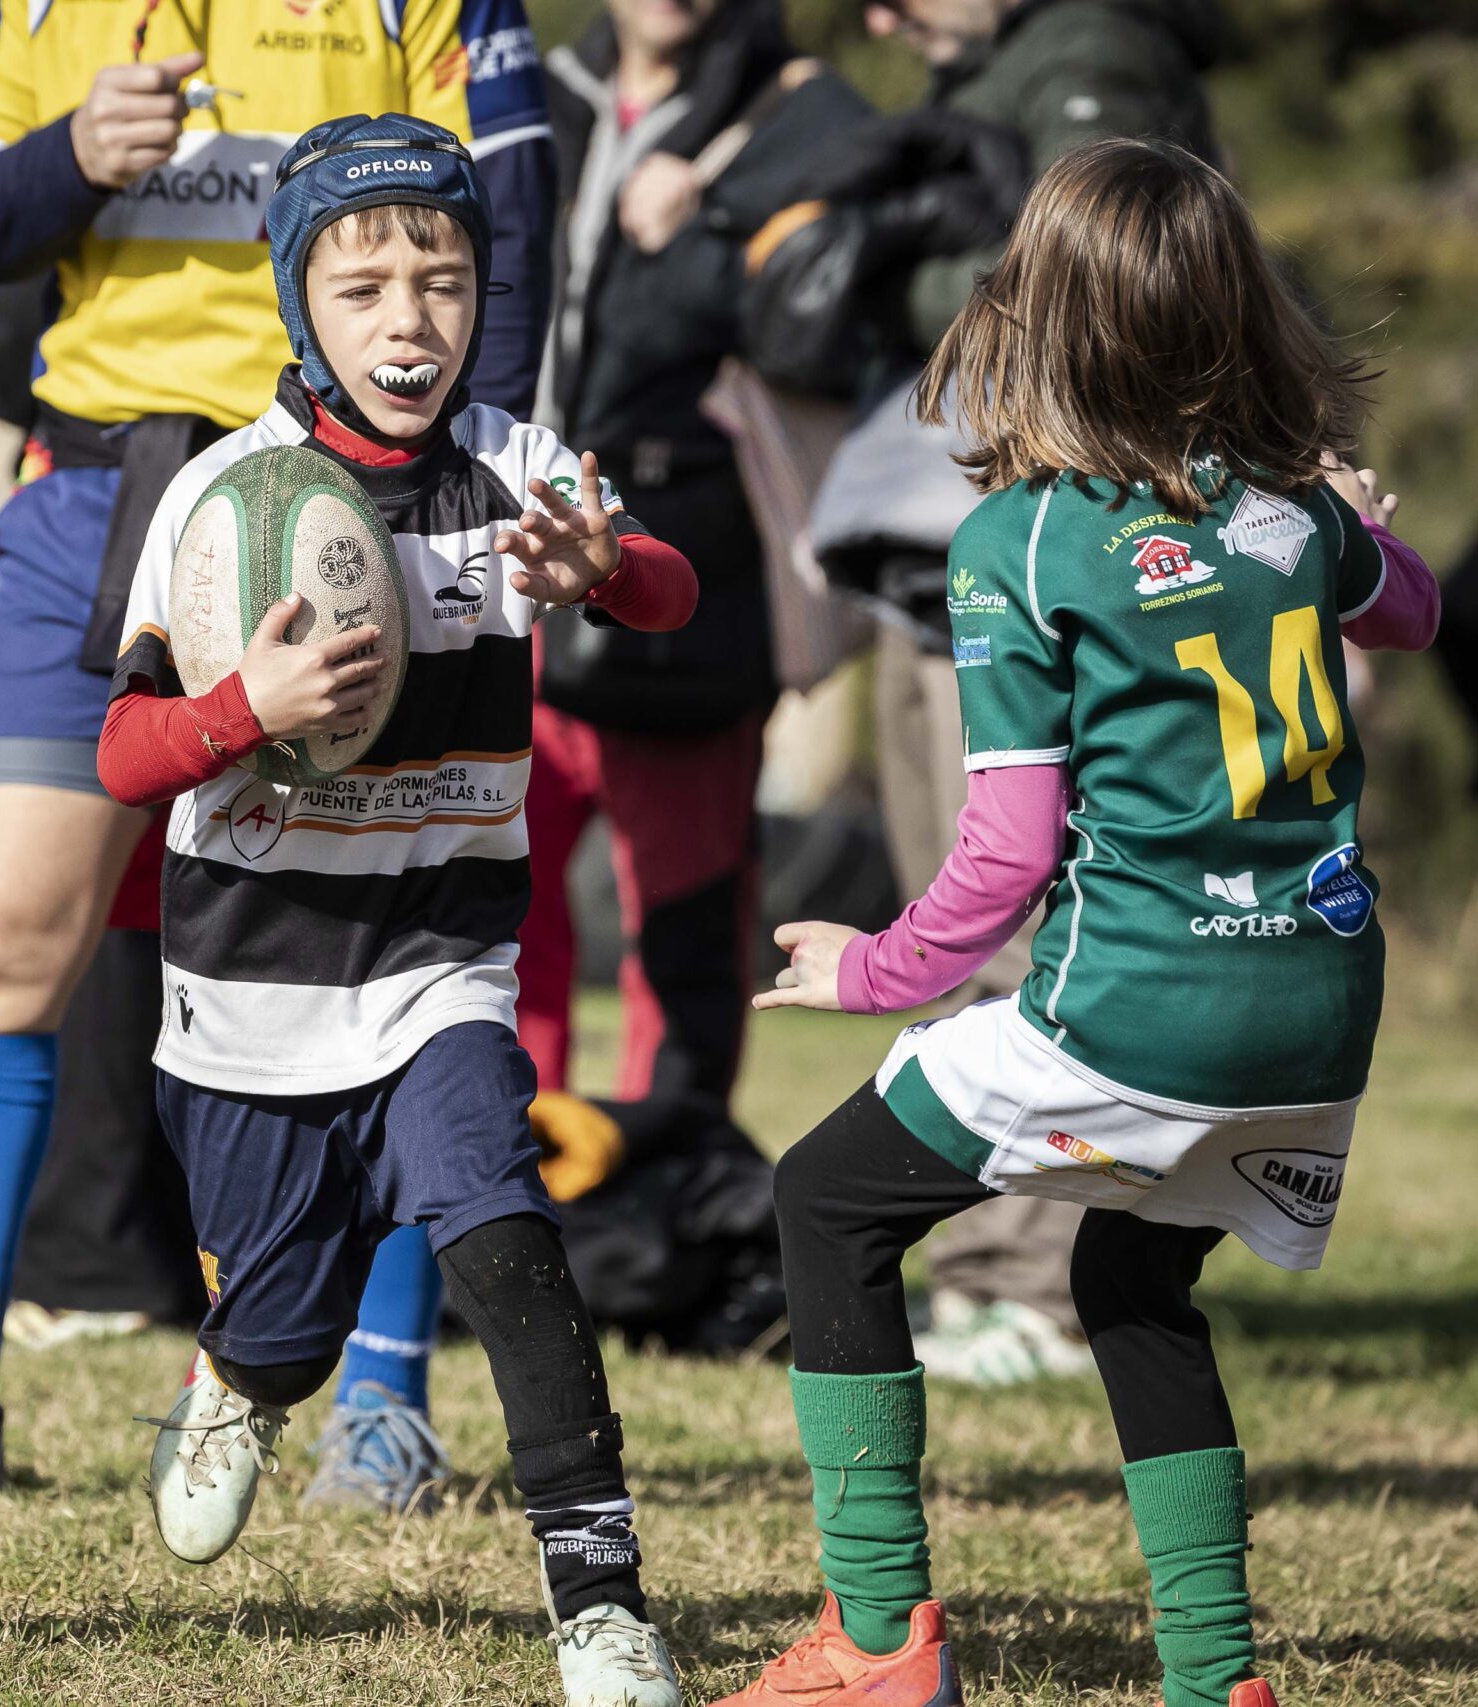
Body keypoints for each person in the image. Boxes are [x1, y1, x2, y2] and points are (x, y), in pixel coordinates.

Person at [0, 0, 559, 1506]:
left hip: (372, 502)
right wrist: (72, 153)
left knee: (395, 953)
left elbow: (513, 236)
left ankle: (382, 1407)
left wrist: (460, 505)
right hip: (106, 488)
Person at [721, 138, 1441, 1707]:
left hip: (1142, 1004)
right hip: (1321, 1010)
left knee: (827, 1199)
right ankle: (1216, 1679)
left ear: (1027, 317)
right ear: (1238, 316)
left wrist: (869, 971)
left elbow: (1003, 861)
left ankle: (874, 1639)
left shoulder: (1023, 542)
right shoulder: (1293, 518)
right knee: (1130, 1283)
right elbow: (1416, 607)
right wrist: (1357, 521)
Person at [103, 114, 699, 1707]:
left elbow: (669, 584)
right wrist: (249, 701)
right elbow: (124, 753)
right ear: (300, 305)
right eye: (362, 287)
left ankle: (601, 1604)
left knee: (503, 1230)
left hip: (444, 960)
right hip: (248, 997)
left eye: (440, 279)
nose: (408, 319)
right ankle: (240, 1374)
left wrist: (610, 571)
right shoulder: (219, 493)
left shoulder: (520, 464)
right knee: (288, 1321)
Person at [809, 0, 1224, 1386]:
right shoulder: (991, 65)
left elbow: (1093, 289)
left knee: (1041, 924)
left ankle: (1038, 1288)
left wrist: (900, 265)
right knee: (983, 906)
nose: (884, 17)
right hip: (977, 541)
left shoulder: (1091, 60)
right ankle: (994, 1275)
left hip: (1072, 556)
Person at [525, 0, 868, 1102]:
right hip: (514, 554)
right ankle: (496, 1211)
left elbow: (844, 318)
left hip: (689, 575)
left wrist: (709, 228)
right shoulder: (530, 95)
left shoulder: (801, 110)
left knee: (683, 929)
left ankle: (664, 1202)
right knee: (498, 924)